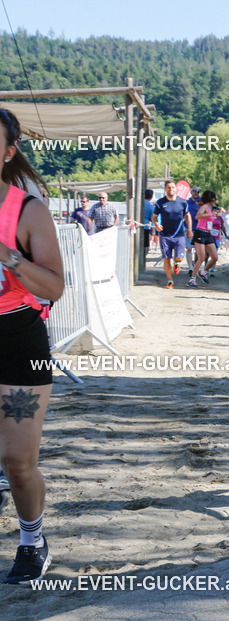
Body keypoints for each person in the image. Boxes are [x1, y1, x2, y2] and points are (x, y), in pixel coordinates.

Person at [0, 106, 66, 583]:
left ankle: (32, 540)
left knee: (18, 464)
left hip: (17, 338)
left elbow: (55, 287)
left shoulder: (26, 211)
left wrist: (9, 258)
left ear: (8, 153)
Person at [152, 180, 192, 289]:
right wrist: (156, 224)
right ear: (165, 189)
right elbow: (154, 217)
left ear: (176, 189)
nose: (171, 189)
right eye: (169, 187)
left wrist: (189, 230)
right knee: (166, 258)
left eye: (173, 187)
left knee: (179, 258)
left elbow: (188, 216)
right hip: (165, 235)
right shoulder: (160, 202)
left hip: (179, 235)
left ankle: (176, 263)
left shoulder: (182, 202)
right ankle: (170, 281)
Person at [187, 190, 219, 288]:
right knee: (201, 257)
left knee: (215, 257)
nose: (215, 201)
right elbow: (197, 216)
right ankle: (192, 279)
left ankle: (204, 271)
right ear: (211, 199)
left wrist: (214, 215)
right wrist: (211, 215)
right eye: (214, 199)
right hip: (200, 232)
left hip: (208, 233)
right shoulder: (204, 206)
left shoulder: (209, 208)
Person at [142, 190, 156, 255]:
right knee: (145, 246)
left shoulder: (137, 204)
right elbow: (153, 219)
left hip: (134, 227)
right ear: (151, 197)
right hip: (145, 227)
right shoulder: (151, 206)